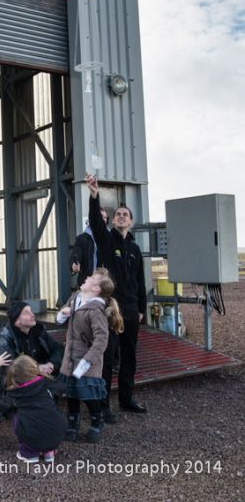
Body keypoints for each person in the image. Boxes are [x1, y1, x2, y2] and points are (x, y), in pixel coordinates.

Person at [86, 173, 147, 416]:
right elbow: (95, 221)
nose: (121, 216)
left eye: (125, 214)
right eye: (118, 214)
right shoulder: (106, 242)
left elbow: (141, 281)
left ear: (131, 222)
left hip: (131, 310)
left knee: (129, 356)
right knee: (107, 357)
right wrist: (94, 195)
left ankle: (126, 399)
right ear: (112, 221)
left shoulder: (134, 248)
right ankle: (103, 405)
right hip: (110, 308)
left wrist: (142, 308)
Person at [57, 268, 124, 442]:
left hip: (86, 360)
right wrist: (63, 313)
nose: (86, 278)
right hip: (69, 357)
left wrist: (87, 362)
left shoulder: (96, 310)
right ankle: (73, 424)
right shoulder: (76, 297)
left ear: (96, 289)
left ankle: (97, 420)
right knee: (71, 392)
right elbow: (63, 313)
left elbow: (101, 339)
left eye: (91, 279)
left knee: (88, 393)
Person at [0, 354, 67, 463]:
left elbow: (0, 407)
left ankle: (29, 453)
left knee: (17, 418)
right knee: (49, 411)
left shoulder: (15, 392)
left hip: (32, 436)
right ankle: (48, 452)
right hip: (57, 434)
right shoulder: (45, 383)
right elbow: (62, 387)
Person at [0, 301, 64, 376]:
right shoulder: (5, 340)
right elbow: (10, 368)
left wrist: (51, 363)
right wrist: (37, 369)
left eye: (31, 311)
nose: (32, 315)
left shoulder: (38, 331)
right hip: (20, 382)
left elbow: (57, 348)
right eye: (26, 313)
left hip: (43, 376)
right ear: (17, 321)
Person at [70, 209, 109, 289]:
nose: (103, 219)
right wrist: (74, 265)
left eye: (105, 217)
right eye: (100, 216)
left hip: (106, 283)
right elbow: (76, 254)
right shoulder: (82, 238)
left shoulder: (111, 238)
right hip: (87, 283)